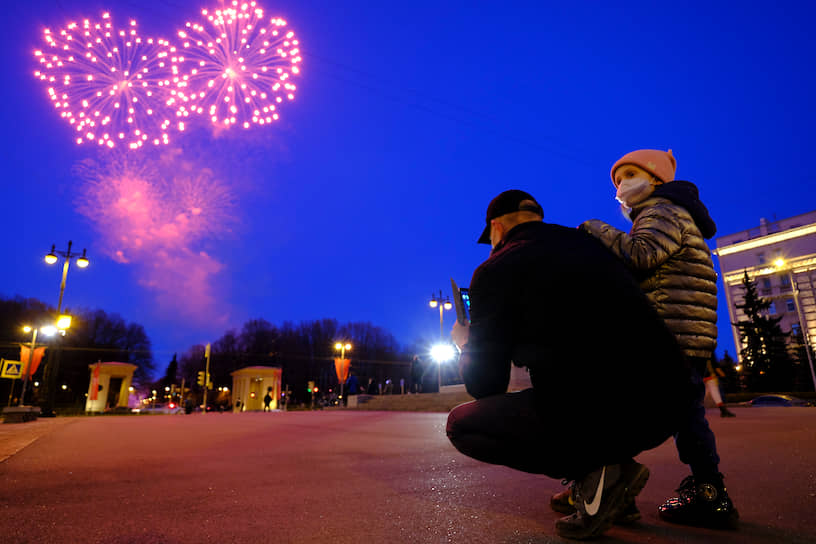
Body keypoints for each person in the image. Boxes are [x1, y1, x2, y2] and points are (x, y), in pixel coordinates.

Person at [446, 189, 693, 540]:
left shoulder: (496, 268)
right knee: (578, 395)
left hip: (600, 408)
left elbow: (486, 385)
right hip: (670, 400)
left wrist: (466, 343)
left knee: (462, 425)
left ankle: (597, 475)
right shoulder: (590, 245)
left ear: (496, 229)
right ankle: (612, 480)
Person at [577, 149, 739, 529]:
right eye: (617, 180)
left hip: (670, 335)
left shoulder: (662, 210)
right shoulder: (672, 214)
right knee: (686, 416)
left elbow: (641, 256)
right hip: (687, 334)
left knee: (621, 407)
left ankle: (610, 485)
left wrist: (595, 229)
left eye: (630, 174)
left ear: (656, 178)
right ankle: (710, 493)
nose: (622, 185)